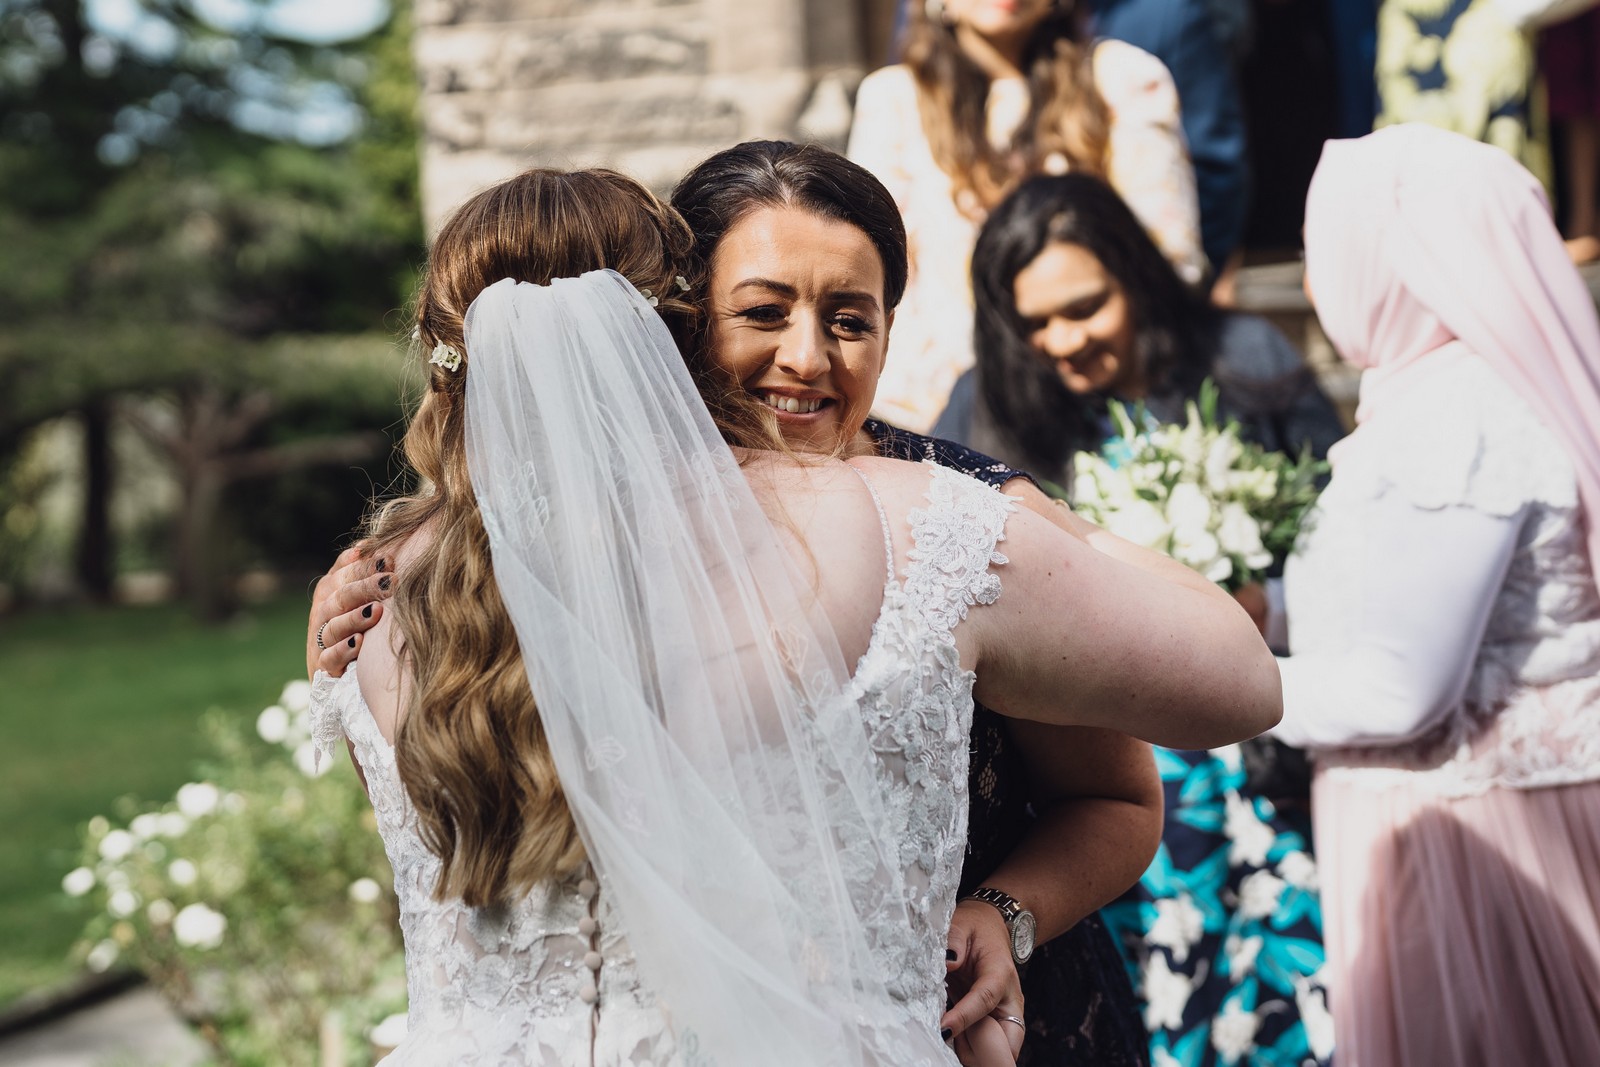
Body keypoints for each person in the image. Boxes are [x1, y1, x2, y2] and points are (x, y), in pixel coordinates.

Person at [306, 157, 1281, 1065]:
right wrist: (1036, 522)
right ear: (677, 329)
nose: (806, 358)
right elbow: (1241, 682)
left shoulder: (396, 585)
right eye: (761, 311)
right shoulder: (916, 527)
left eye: (851, 318)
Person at [936, 171, 1344, 1067]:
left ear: (1136, 278)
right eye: (1034, 324)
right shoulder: (986, 408)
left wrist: (1265, 601)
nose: (1063, 340)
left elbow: (1342, 526)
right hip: (1097, 765)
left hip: (1262, 734)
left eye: (1085, 307)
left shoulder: (1245, 360)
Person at [1271, 123, 1600, 1066]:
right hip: (1481, 822)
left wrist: (1227, 688)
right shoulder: (1453, 399)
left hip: (1481, 850)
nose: (1310, 281)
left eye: (1320, 251)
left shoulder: (1459, 418)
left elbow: (1400, 689)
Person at [847, 0, 1204, 432]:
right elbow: (875, 272)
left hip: (1102, 402)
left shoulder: (1124, 78)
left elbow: (1168, 259)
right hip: (935, 411)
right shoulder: (893, 100)